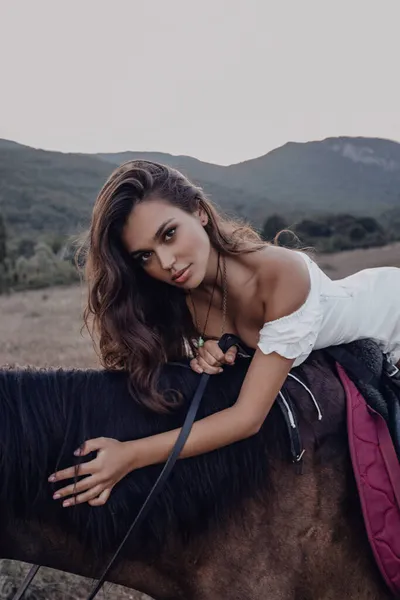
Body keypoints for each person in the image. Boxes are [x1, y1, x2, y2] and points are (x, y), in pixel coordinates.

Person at [48, 160, 400, 507]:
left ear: (199, 212)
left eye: (169, 234)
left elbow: (247, 418)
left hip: (391, 319)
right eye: (145, 256)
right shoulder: (183, 295)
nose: (166, 262)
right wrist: (205, 348)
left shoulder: (279, 276)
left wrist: (131, 455)